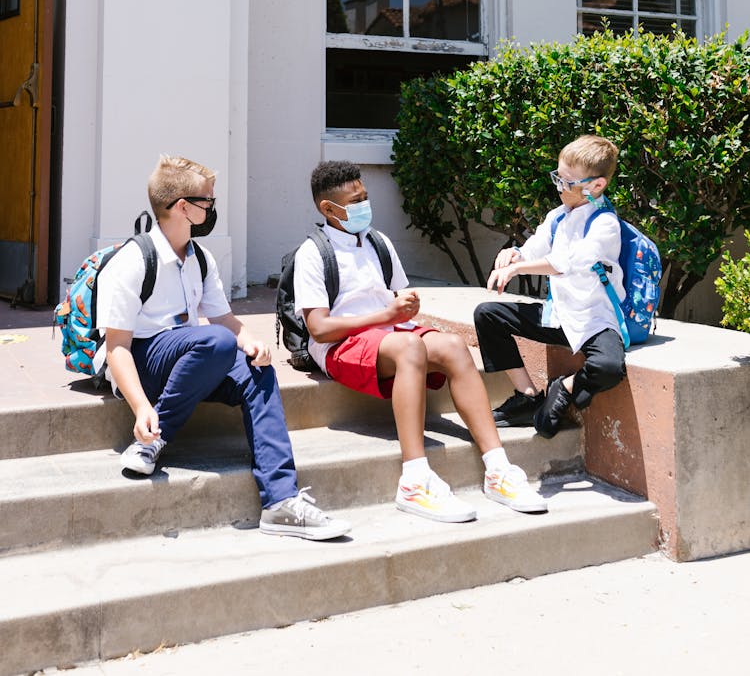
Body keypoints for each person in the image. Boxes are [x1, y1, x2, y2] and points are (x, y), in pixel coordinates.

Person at [97, 154, 350, 541]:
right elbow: (116, 347)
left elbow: (223, 320)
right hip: (144, 360)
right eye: (208, 201)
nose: (214, 208)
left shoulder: (200, 259)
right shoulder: (134, 260)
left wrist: (250, 340)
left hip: (194, 358)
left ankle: (280, 501)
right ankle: (153, 439)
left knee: (256, 367)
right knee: (215, 342)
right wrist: (142, 407)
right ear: (183, 207)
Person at [294, 160, 548, 524]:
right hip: (341, 344)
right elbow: (318, 328)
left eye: (365, 196)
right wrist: (387, 317)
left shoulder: (378, 242)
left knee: (453, 346)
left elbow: (398, 297)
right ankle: (414, 480)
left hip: (388, 335)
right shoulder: (313, 254)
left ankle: (497, 468)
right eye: (356, 200)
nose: (365, 205)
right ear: (329, 209)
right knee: (411, 348)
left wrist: (406, 309)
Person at [474, 134, 627, 439]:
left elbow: (565, 263)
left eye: (568, 183)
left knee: (609, 367)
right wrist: (513, 255)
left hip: (593, 320)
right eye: (558, 177)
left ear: (596, 186)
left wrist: (519, 268)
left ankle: (565, 387)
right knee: (487, 315)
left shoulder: (604, 224)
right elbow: (533, 250)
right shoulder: (556, 217)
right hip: (557, 316)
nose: (559, 187)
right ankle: (528, 396)